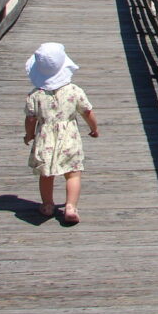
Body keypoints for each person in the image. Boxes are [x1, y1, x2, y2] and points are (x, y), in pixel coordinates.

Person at [23, 42, 98, 223]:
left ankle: (48, 205)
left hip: (45, 139)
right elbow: (87, 112)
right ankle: (70, 207)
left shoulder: (35, 95)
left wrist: (29, 134)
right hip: (69, 139)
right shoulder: (74, 91)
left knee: (46, 173)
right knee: (73, 173)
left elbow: (30, 119)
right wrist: (94, 128)